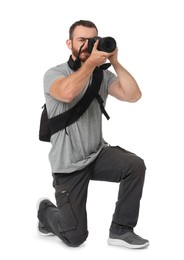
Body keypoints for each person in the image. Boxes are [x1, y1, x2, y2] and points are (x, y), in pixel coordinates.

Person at [37, 20, 149, 249]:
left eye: (92, 40)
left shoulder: (102, 76)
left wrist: (114, 61)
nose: (88, 45)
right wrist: (89, 66)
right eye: (82, 40)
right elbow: (67, 93)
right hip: (68, 165)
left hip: (96, 154)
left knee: (134, 165)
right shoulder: (54, 73)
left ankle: (121, 230)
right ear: (69, 43)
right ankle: (46, 212)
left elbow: (133, 95)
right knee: (74, 237)